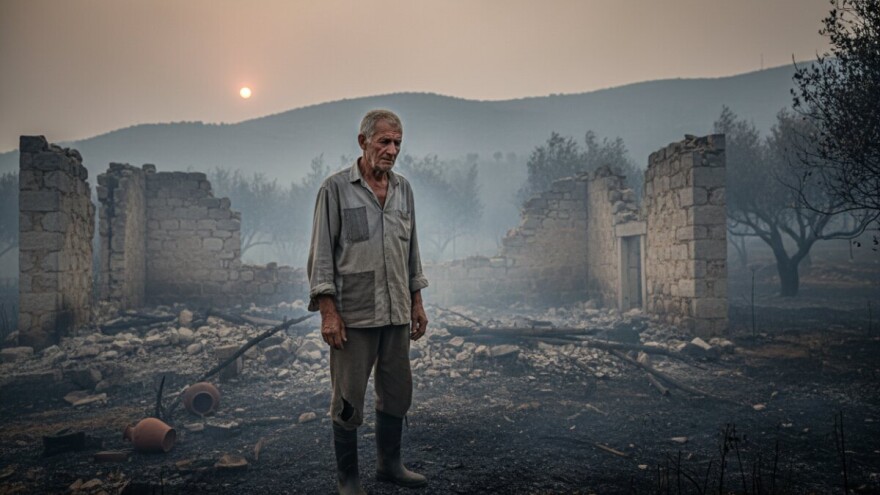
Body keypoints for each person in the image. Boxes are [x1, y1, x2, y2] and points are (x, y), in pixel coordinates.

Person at [307, 109, 429, 494]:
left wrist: (417, 301)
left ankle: (389, 466)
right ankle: (349, 480)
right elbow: (321, 254)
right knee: (348, 400)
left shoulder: (403, 189)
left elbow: (412, 251)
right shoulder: (335, 189)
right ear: (363, 142)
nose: (392, 150)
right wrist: (328, 312)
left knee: (397, 393)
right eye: (384, 142)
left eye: (397, 143)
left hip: (395, 313)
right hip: (354, 316)